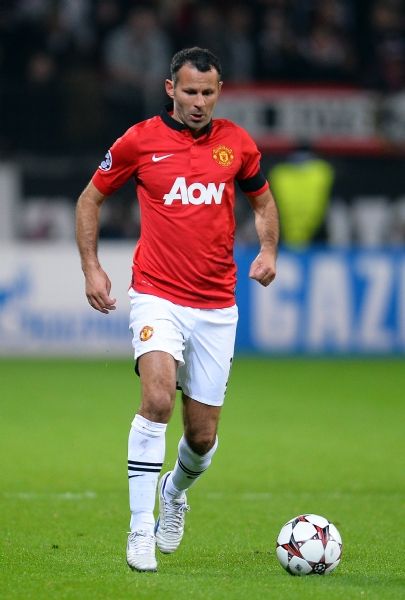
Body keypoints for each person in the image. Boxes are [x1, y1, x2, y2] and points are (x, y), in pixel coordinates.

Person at [75, 47, 279, 573]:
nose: (199, 102)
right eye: (190, 91)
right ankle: (140, 527)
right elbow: (89, 199)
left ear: (219, 91)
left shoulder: (236, 144)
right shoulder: (139, 140)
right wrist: (92, 268)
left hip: (215, 305)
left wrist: (268, 249)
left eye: (208, 93)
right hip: (156, 294)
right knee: (158, 398)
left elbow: (261, 201)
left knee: (202, 438)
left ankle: (174, 491)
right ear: (171, 89)